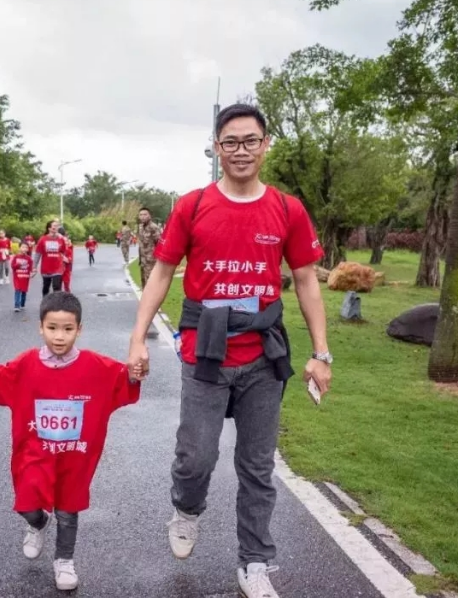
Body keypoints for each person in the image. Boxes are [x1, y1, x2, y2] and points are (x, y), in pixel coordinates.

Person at [127, 104, 332, 598]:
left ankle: (255, 561)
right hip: (205, 353)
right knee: (196, 456)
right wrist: (138, 336)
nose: (241, 150)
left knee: (258, 467)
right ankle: (186, 508)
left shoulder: (287, 209)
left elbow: (305, 280)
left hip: (264, 357)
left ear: (265, 145)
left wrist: (321, 354)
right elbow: (161, 270)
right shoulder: (192, 205)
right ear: (217, 149)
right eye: (231, 142)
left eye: (250, 141)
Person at [0, 292, 141, 591]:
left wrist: (137, 371)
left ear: (79, 329)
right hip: (35, 451)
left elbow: (124, 379)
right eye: (53, 328)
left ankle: (64, 560)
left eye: (68, 329)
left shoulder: (96, 366)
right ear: (40, 327)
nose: (60, 336)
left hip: (75, 454)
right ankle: (37, 523)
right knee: (26, 501)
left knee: (68, 509)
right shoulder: (27, 363)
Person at [34, 220, 66, 296]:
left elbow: (63, 251)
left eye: (57, 226)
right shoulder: (43, 239)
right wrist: (34, 267)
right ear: (49, 228)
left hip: (58, 268)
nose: (56, 227)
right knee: (46, 287)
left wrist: (63, 261)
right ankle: (45, 304)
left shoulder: (61, 239)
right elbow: (38, 253)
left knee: (57, 287)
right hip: (46, 268)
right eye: (54, 226)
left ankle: (56, 305)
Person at [137, 207, 162, 288]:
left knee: (151, 285)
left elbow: (159, 244)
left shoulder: (154, 227)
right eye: (141, 215)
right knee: (144, 283)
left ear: (149, 216)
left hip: (151, 261)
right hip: (143, 261)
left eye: (145, 214)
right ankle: (145, 300)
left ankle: (152, 300)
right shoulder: (140, 227)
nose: (143, 216)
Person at [11, 241, 34, 312]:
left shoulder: (29, 259)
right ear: (19, 248)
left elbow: (31, 268)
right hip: (17, 277)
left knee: (24, 291)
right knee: (17, 290)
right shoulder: (16, 257)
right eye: (23, 247)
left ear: (28, 249)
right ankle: (16, 305)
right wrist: (18, 264)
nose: (24, 249)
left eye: (26, 247)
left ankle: (22, 304)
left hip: (25, 278)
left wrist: (32, 273)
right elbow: (13, 266)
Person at [59, 226, 74, 293]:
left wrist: (63, 258)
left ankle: (68, 298)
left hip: (66, 270)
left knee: (66, 286)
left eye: (66, 241)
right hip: (58, 271)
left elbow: (69, 260)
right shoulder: (58, 250)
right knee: (58, 286)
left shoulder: (69, 250)